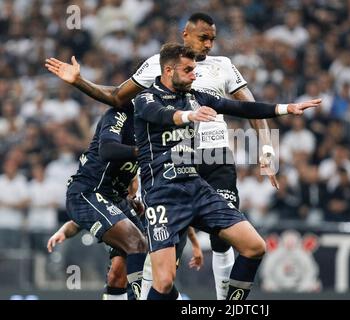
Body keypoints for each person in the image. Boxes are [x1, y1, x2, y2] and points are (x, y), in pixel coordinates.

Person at [45, 12, 278, 300]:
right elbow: (118, 96)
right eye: (203, 37)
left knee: (224, 238)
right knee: (161, 263)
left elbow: (251, 108)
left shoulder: (224, 66)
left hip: (215, 158)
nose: (209, 45)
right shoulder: (158, 66)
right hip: (173, 160)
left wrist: (267, 149)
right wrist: (80, 82)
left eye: (213, 39)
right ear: (186, 35)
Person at [133, 43, 320, 300]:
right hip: (163, 194)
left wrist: (284, 108)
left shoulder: (195, 96)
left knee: (255, 247)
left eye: (194, 70)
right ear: (168, 70)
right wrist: (190, 116)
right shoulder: (145, 98)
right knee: (164, 282)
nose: (193, 75)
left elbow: (241, 108)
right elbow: (162, 115)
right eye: (188, 70)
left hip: (196, 186)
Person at [62, 103, 149, 299]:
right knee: (137, 243)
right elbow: (108, 150)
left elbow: (133, 175)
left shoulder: (152, 124)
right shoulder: (120, 113)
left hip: (116, 199)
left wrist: (131, 196)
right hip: (88, 192)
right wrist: (142, 152)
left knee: (119, 272)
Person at [47, 220, 204, 300]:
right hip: (130, 246)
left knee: (163, 284)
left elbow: (180, 212)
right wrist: (63, 231)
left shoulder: (156, 186)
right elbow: (80, 218)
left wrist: (195, 244)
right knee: (116, 274)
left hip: (160, 247)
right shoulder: (120, 197)